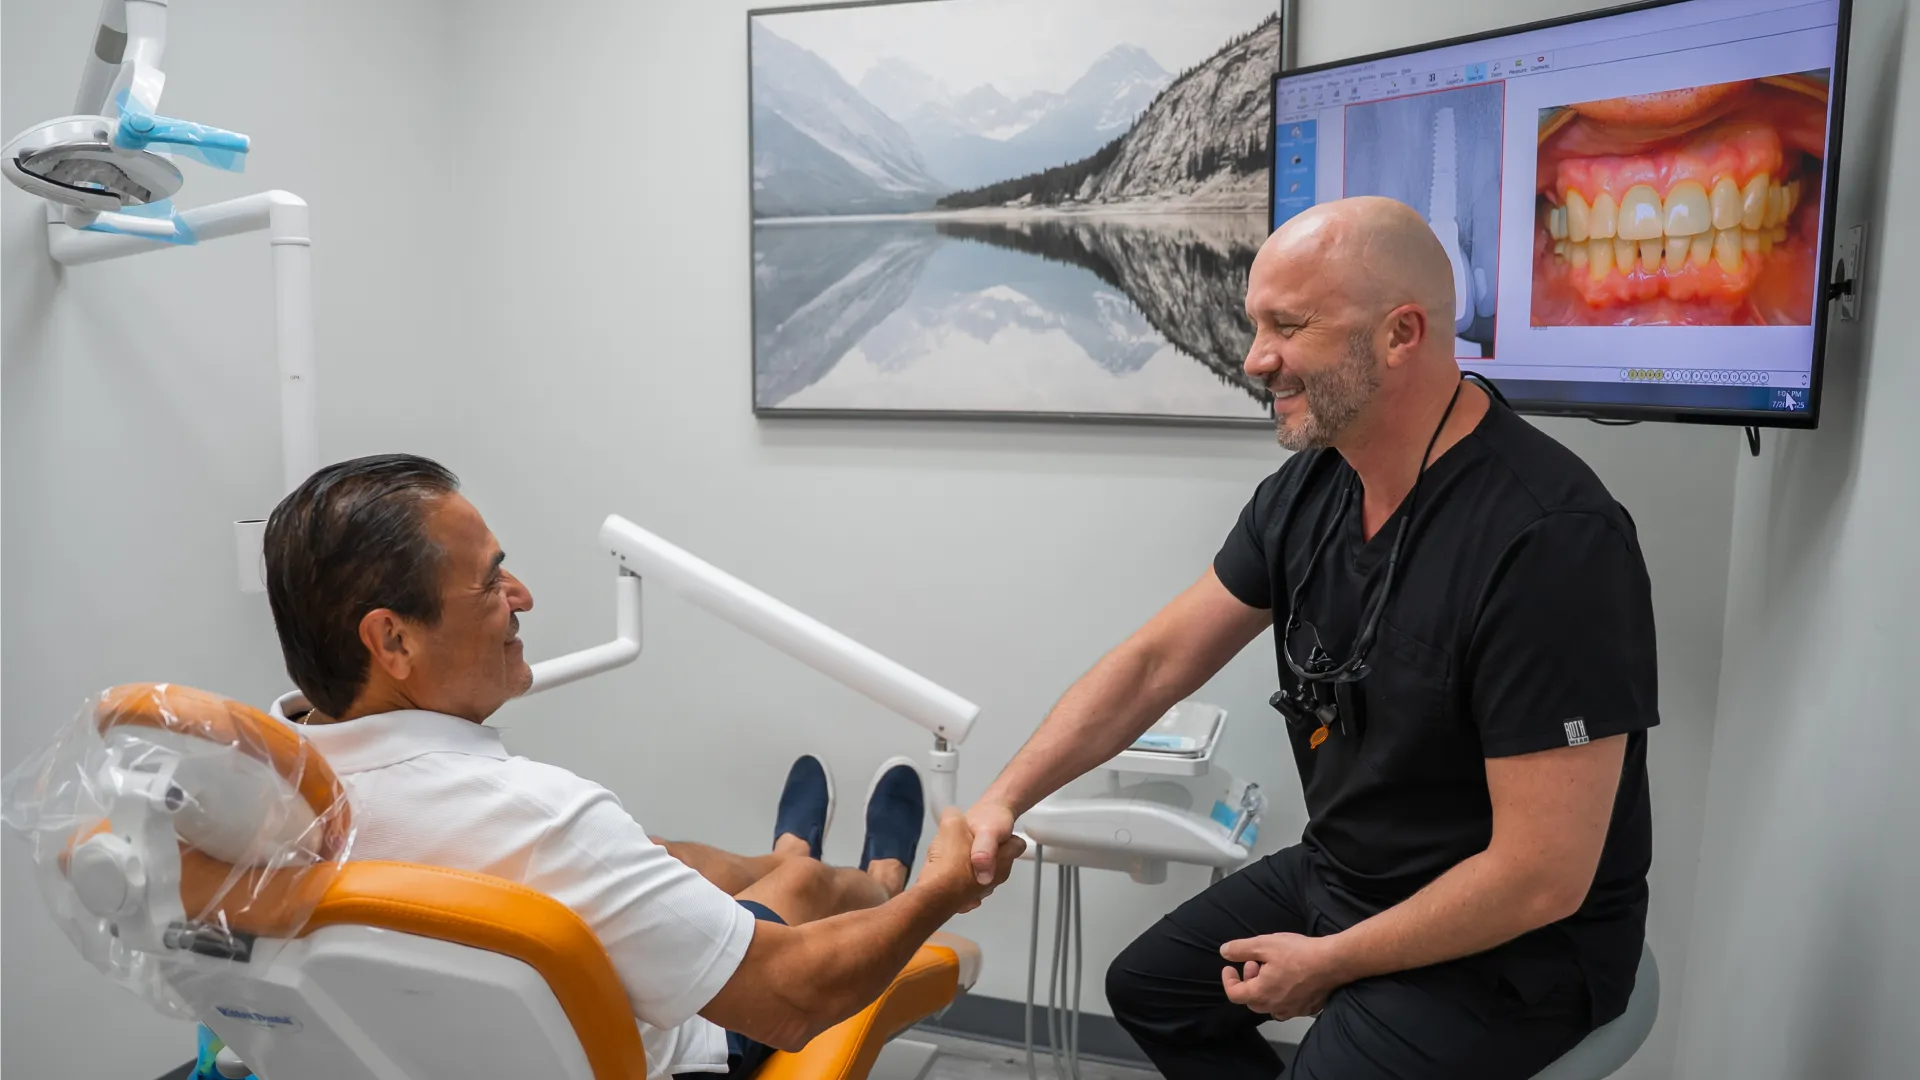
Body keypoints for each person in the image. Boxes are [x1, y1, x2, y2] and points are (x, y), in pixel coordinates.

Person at [963, 196, 1659, 1079]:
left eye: (1288, 326)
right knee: (1154, 990)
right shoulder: (1309, 493)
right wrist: (1004, 800)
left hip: (1517, 951)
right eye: (1256, 325)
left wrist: (1331, 963)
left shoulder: (1551, 540)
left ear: (1401, 334)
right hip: (1349, 875)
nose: (1256, 360)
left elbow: (1541, 878)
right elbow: (1154, 665)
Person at [259, 454, 1024, 1080]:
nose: (522, 596)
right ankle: (876, 880)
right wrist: (942, 891)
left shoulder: (252, 803)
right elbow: (794, 997)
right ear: (392, 642)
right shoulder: (544, 818)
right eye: (492, 581)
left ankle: (785, 851)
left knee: (676, 859)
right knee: (797, 890)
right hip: (685, 1050)